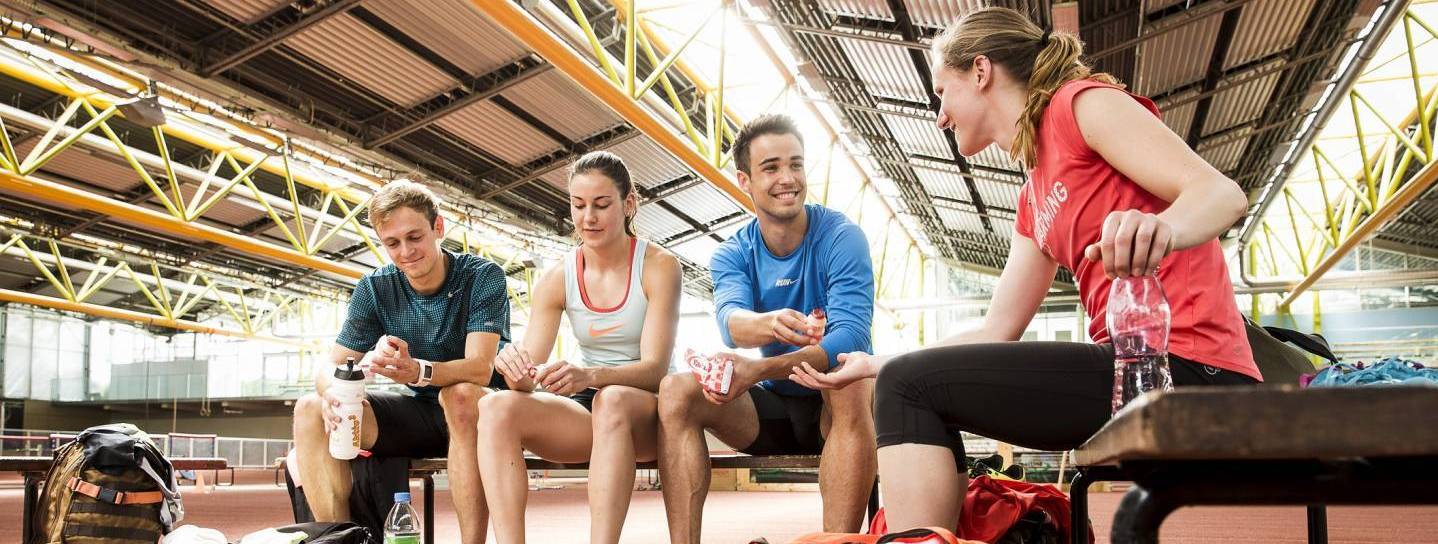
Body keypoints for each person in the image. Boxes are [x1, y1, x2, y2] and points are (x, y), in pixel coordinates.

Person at [789, 7, 1263, 532]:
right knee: (902, 383)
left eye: (942, 92)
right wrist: (878, 361)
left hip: (1187, 365)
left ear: (981, 71)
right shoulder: (1032, 196)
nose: (940, 116)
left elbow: (1222, 193)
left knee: (907, 385)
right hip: (1126, 373)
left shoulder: (1080, 105)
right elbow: (998, 329)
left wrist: (1162, 229)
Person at [657, 113, 878, 543]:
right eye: (771, 167)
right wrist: (768, 324)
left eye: (796, 164)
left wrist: (757, 370)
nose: (788, 178)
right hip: (773, 413)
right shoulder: (732, 253)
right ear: (745, 180)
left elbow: (852, 338)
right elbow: (730, 323)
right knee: (675, 390)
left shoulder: (842, 236)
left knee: (850, 381)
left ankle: (838, 542)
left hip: (837, 411)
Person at [476, 151, 682, 544]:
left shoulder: (660, 266)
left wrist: (589, 375)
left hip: (649, 410)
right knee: (495, 405)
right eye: (579, 205)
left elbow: (655, 368)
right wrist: (514, 369)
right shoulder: (557, 277)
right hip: (592, 410)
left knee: (613, 401)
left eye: (602, 204)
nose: (588, 217)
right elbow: (526, 380)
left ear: (629, 203)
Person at [291, 180, 510, 544]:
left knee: (458, 395)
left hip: (479, 415)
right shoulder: (375, 288)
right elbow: (330, 365)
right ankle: (342, 539)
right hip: (419, 417)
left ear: (438, 228)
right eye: (392, 243)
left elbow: (480, 367)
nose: (406, 251)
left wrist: (420, 370)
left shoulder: (482, 276)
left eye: (415, 237)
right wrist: (331, 392)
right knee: (309, 408)